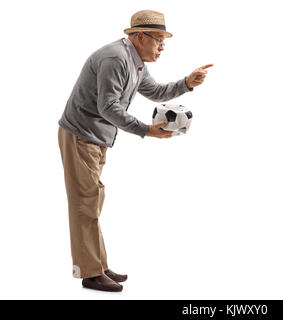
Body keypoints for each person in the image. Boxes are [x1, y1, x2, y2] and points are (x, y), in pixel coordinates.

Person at [57, 9, 213, 292]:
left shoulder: (135, 60)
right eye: (158, 39)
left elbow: (155, 91)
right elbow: (108, 106)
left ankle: (98, 265)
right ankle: (90, 272)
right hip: (80, 135)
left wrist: (187, 83)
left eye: (164, 40)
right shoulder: (115, 59)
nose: (162, 46)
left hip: (97, 138)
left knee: (92, 201)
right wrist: (146, 130)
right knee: (84, 204)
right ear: (139, 36)